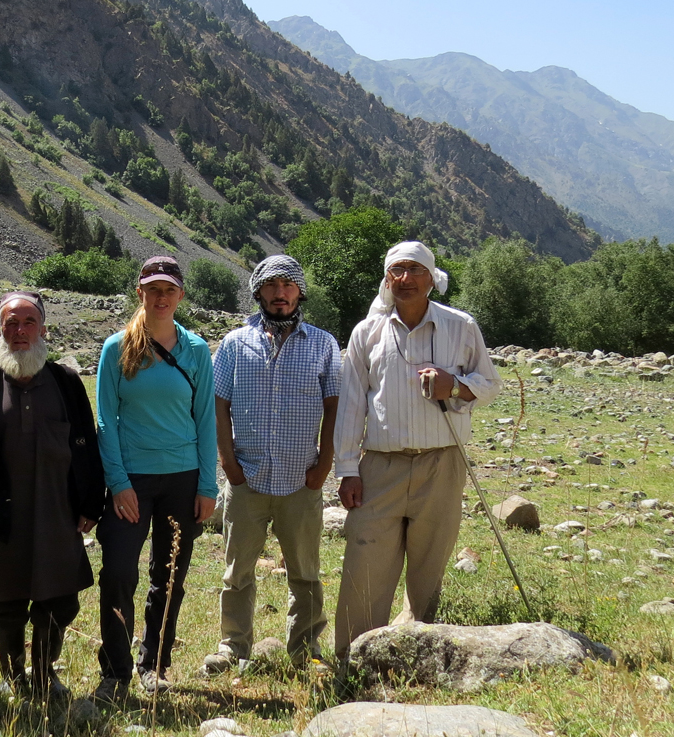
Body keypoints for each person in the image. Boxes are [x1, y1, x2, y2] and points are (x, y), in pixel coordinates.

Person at [332, 240, 502, 661]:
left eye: (415, 270)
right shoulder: (366, 332)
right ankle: (352, 660)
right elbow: (352, 405)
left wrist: (456, 386)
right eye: (397, 271)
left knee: (428, 568)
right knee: (364, 566)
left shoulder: (461, 326)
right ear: (387, 279)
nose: (405, 279)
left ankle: (417, 652)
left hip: (442, 463)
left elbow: (490, 384)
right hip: (380, 468)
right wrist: (347, 469)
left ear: (431, 278)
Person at [0, 291, 106, 702]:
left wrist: (92, 502)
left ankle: (44, 674)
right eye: (11, 323)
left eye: (28, 323)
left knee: (59, 600)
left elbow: (86, 445)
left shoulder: (66, 383)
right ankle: (12, 675)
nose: (19, 331)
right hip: (3, 517)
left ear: (43, 329)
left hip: (57, 512)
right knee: (4, 601)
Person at [201, 255, 341, 675]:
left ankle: (306, 649)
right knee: (237, 572)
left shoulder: (322, 343)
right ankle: (233, 648)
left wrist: (325, 464)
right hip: (247, 478)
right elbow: (218, 405)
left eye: (288, 285)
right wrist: (229, 463)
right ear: (258, 291)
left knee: (305, 572)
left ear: (300, 291)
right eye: (271, 285)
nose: (280, 294)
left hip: (302, 478)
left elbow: (335, 407)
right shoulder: (234, 344)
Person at [94, 256, 218, 700]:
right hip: (133, 480)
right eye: (153, 289)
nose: (161, 297)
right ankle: (116, 670)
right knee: (118, 572)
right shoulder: (116, 348)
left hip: (183, 479)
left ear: (181, 295)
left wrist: (208, 485)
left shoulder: (198, 350)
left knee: (169, 576)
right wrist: (119, 482)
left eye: (169, 290)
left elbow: (205, 421)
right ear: (140, 293)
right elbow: (105, 421)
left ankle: (155, 662)